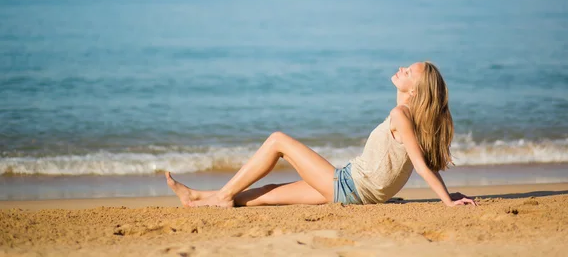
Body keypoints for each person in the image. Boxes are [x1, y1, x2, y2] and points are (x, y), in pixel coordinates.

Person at [166, 62, 477, 207]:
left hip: (346, 185)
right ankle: (197, 198)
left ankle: (220, 196)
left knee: (277, 141)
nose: (401, 68)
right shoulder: (413, 120)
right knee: (267, 193)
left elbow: (422, 166)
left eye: (408, 71)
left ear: (415, 90)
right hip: (352, 192)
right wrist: (447, 196)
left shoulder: (401, 116)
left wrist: (447, 202)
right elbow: (423, 162)